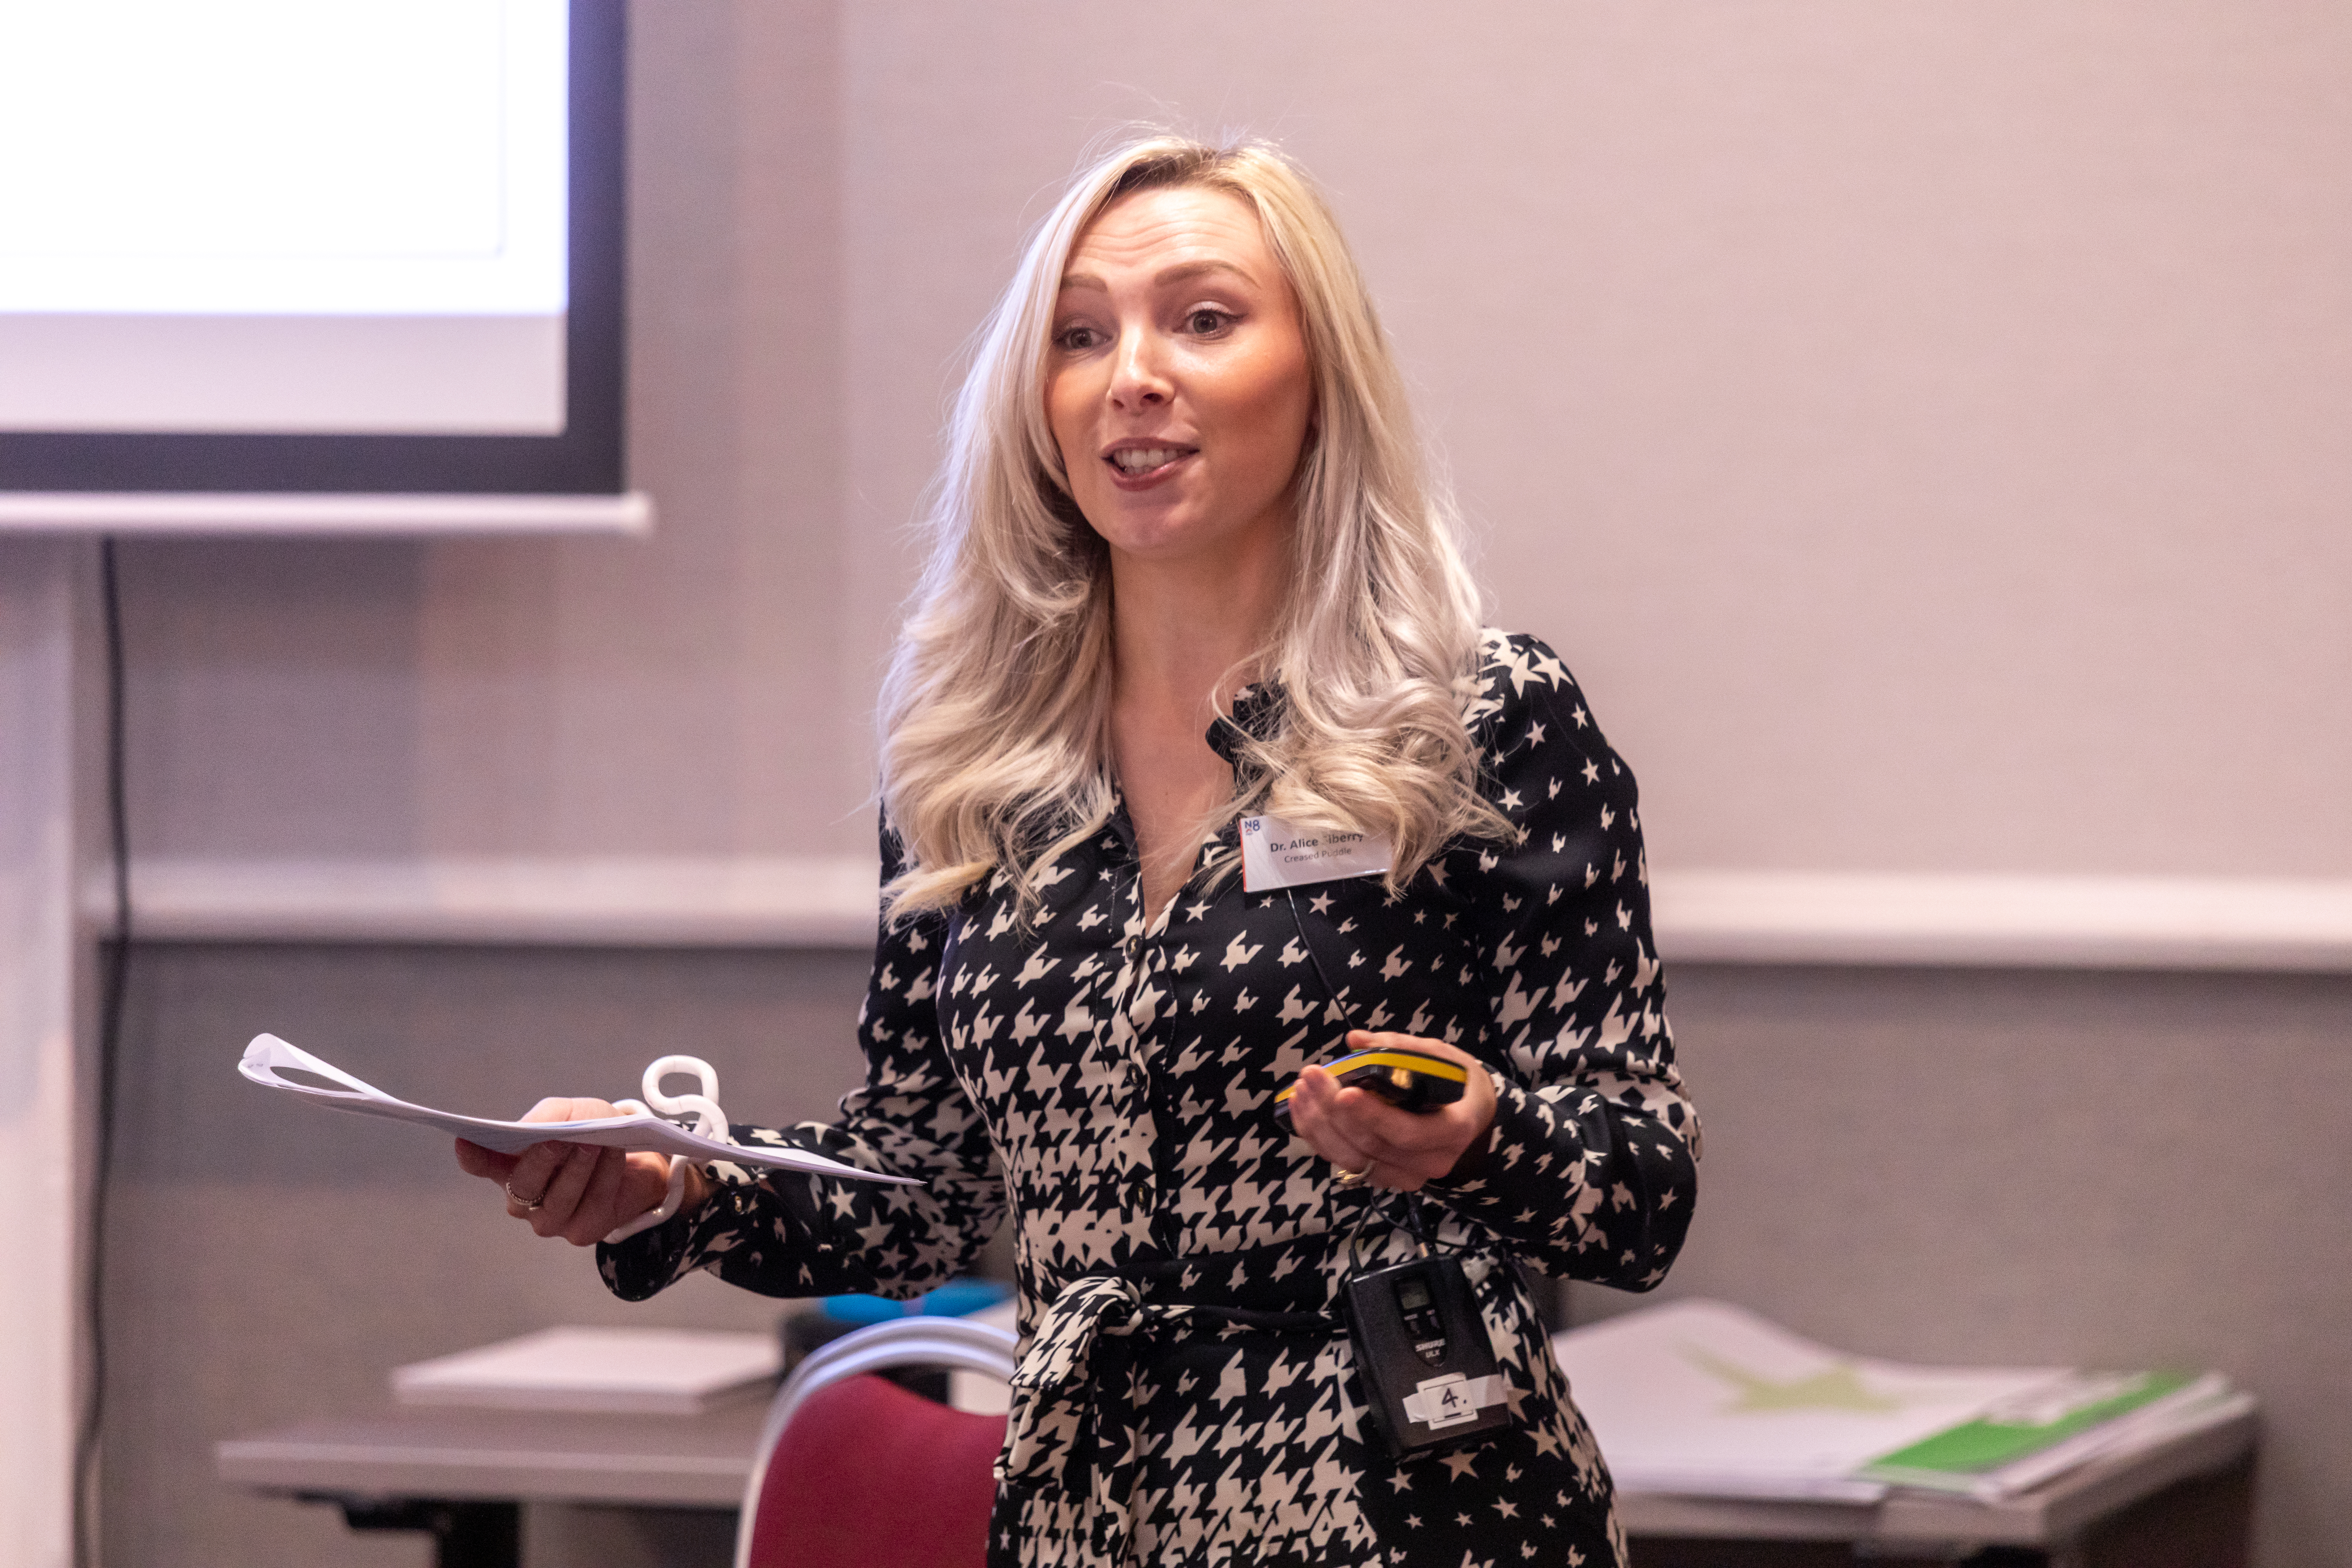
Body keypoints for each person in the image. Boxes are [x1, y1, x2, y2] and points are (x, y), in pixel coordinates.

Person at [457, 134, 1699, 1568]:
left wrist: (1480, 1134)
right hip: (1086, 1509)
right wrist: (677, 1184)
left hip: (1412, 1502)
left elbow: (1643, 1184)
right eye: (1078, 335)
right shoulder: (977, 763)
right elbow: (923, 1186)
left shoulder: (1479, 718)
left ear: (1318, 384)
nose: (1133, 375)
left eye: (1203, 318)